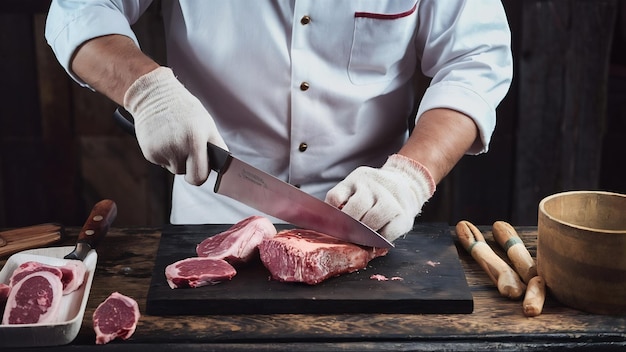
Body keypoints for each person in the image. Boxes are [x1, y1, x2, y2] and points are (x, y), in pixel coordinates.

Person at [45, 1, 512, 242]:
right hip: (210, 222)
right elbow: (79, 9)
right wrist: (148, 91)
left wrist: (409, 178)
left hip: (370, 219)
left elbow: (475, 57)